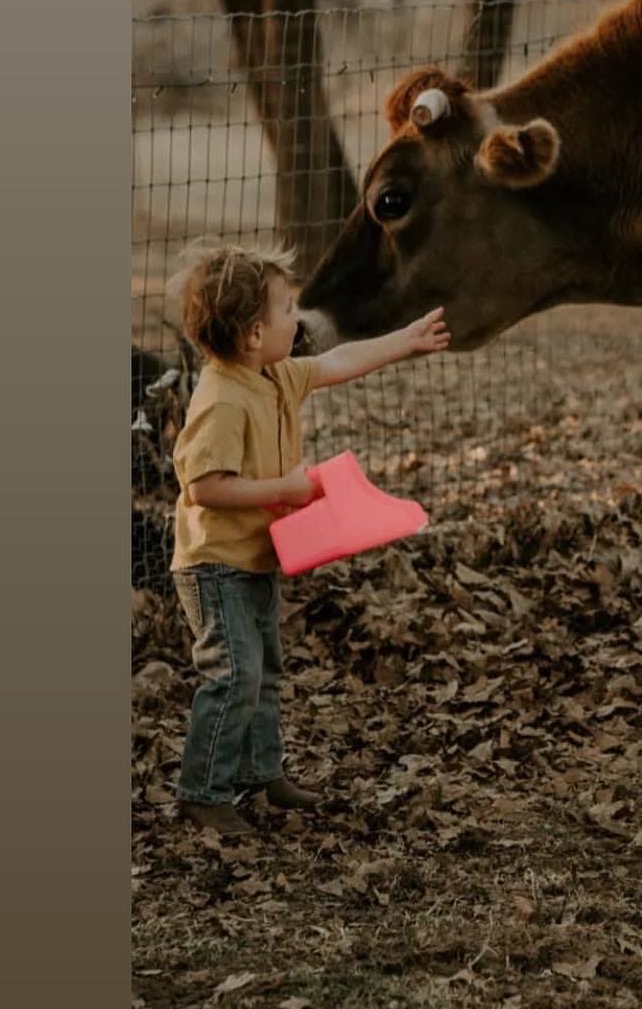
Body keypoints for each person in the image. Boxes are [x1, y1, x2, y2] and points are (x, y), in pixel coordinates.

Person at [169, 242, 448, 835]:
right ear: (250, 334)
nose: (297, 318)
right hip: (214, 564)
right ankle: (203, 790)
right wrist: (285, 488)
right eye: (286, 308)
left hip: (255, 557)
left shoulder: (274, 376)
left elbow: (338, 363)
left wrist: (406, 339)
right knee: (233, 675)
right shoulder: (220, 399)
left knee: (265, 670)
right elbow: (204, 488)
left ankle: (261, 773)